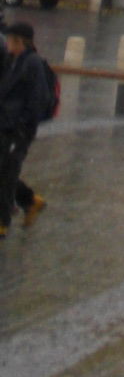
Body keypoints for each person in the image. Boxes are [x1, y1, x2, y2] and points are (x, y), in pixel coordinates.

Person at [0, 21, 50, 236]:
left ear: (19, 41)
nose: (6, 43)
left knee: (6, 173)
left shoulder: (32, 63)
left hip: (18, 130)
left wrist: (22, 126)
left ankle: (2, 223)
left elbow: (38, 99)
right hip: (4, 125)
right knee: (4, 170)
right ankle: (29, 201)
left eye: (10, 40)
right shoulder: (11, 60)